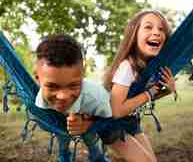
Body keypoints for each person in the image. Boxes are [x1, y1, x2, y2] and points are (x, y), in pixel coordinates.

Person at [104, 10, 176, 162]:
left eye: (161, 29)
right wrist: (150, 93)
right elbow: (116, 110)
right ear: (134, 35)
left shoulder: (150, 67)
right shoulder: (127, 67)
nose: (156, 32)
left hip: (131, 122)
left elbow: (146, 96)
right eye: (148, 27)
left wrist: (168, 90)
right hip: (112, 125)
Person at [34, 34, 112, 160]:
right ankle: (64, 155)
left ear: (82, 77)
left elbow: (110, 120)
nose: (63, 96)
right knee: (62, 137)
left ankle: (97, 156)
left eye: (73, 85)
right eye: (52, 87)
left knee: (91, 139)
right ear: (38, 78)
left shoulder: (96, 98)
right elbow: (42, 120)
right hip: (60, 121)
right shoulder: (39, 100)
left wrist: (89, 123)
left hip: (90, 117)